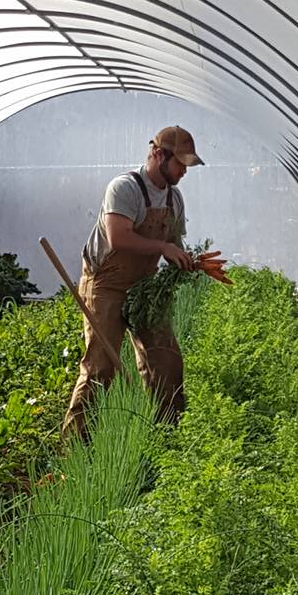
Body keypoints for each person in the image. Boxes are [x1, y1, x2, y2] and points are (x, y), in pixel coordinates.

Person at [62, 125, 204, 437]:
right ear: (157, 154)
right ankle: (75, 447)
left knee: (166, 360)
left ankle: (168, 436)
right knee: (100, 368)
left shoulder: (174, 199)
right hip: (106, 285)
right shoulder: (124, 188)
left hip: (144, 287)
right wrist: (163, 247)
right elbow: (118, 237)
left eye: (187, 165)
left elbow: (172, 245)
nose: (184, 171)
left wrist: (187, 260)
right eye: (179, 163)